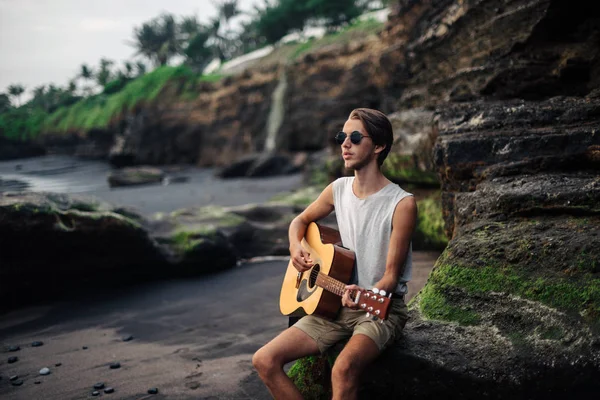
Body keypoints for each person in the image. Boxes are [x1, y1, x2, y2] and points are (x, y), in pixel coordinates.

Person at [252, 108, 417, 400]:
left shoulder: (401, 204)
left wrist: (366, 293)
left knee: (342, 370)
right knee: (264, 360)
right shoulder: (338, 189)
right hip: (333, 306)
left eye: (355, 137)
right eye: (342, 136)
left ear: (378, 146)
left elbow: (391, 276)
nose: (345, 144)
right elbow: (299, 222)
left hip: (378, 310)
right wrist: (295, 247)